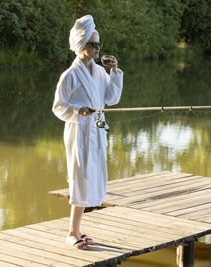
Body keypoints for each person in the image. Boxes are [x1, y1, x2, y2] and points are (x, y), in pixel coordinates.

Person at [52, 15, 123, 250]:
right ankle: (71, 233)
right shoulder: (70, 76)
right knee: (79, 179)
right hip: (78, 134)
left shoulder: (100, 73)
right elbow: (59, 107)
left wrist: (114, 72)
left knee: (91, 177)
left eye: (99, 44)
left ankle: (78, 229)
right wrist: (77, 111)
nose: (98, 49)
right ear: (81, 45)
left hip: (97, 132)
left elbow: (111, 99)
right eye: (94, 44)